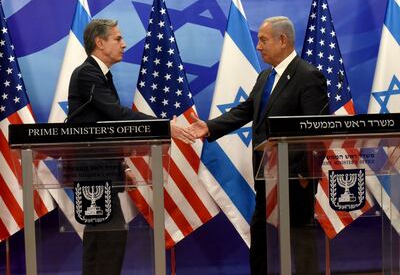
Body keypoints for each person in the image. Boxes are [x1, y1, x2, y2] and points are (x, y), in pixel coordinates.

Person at [188, 16, 328, 275]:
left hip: (296, 179)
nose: (259, 46)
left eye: (263, 40)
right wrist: (210, 126)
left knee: (299, 238)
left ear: (283, 40)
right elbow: (246, 110)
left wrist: (303, 175)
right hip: (267, 175)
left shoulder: (308, 76)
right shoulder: (265, 77)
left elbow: (316, 134)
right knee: (261, 235)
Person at [67, 19, 194, 275]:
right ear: (99, 42)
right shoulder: (88, 73)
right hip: (92, 171)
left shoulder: (101, 74)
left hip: (101, 169)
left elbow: (103, 126)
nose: (124, 44)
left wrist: (119, 166)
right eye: (117, 38)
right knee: (108, 236)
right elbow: (115, 115)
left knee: (100, 237)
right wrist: (163, 126)